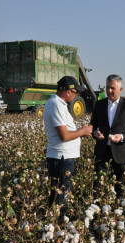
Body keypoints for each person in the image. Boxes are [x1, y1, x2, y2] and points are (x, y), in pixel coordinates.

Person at [43, 76, 93, 209]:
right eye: (76, 92)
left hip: (62, 157)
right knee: (61, 196)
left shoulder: (58, 104)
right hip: (61, 158)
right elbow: (64, 135)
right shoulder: (56, 105)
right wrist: (82, 131)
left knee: (58, 193)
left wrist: (82, 131)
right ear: (68, 91)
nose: (77, 95)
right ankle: (57, 223)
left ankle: (53, 222)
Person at [90, 74, 125, 198]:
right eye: (107, 87)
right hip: (102, 152)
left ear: (120, 90)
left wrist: (122, 137)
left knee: (120, 187)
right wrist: (95, 133)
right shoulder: (99, 104)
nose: (109, 91)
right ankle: (97, 212)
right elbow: (92, 126)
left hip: (121, 153)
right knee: (97, 186)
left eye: (112, 88)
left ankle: (119, 212)